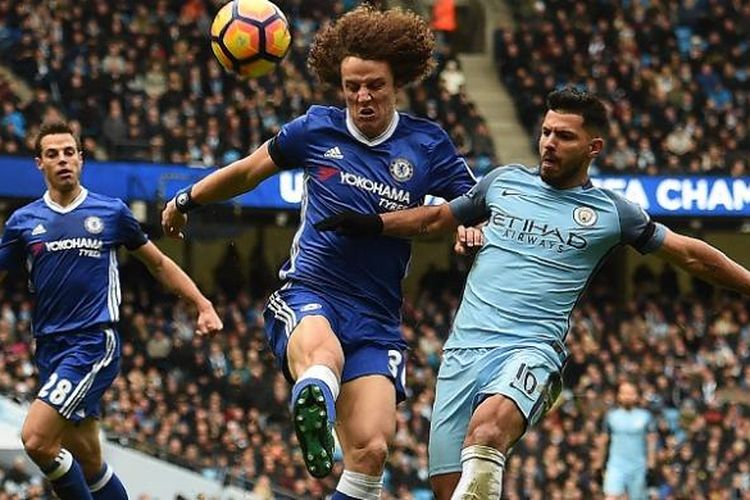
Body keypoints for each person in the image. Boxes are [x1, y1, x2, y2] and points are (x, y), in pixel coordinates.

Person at [315, 86, 750, 499]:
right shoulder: (502, 183)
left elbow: (691, 256)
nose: (549, 143)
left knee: (487, 433)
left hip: (530, 350)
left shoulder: (612, 213)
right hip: (463, 355)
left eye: (564, 136)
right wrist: (373, 224)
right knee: (452, 489)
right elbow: (435, 221)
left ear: (592, 148)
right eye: (545, 132)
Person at [161, 5, 476, 497]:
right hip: (312, 291)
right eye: (352, 86)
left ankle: (320, 402)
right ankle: (315, 398)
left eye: (374, 84)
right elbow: (247, 171)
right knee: (322, 357)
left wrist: (466, 226)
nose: (363, 96)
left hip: (377, 317)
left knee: (370, 452)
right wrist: (189, 198)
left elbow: (468, 203)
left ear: (398, 83)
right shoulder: (316, 129)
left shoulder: (427, 143)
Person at [0, 120, 223, 500]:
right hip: (49, 350)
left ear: (81, 159)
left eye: (69, 152)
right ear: (39, 164)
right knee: (87, 463)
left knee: (36, 440)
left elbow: (158, 264)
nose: (63, 160)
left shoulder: (110, 212)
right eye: (52, 154)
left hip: (92, 343)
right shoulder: (23, 222)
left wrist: (201, 304)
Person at [603, 382, 656, 500]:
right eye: (624, 393)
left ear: (637, 396)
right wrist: (599, 465)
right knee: (611, 496)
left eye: (631, 393)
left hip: (638, 466)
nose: (627, 396)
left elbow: (651, 441)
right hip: (616, 465)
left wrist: (651, 465)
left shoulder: (645, 416)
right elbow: (603, 440)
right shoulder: (611, 416)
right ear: (619, 396)